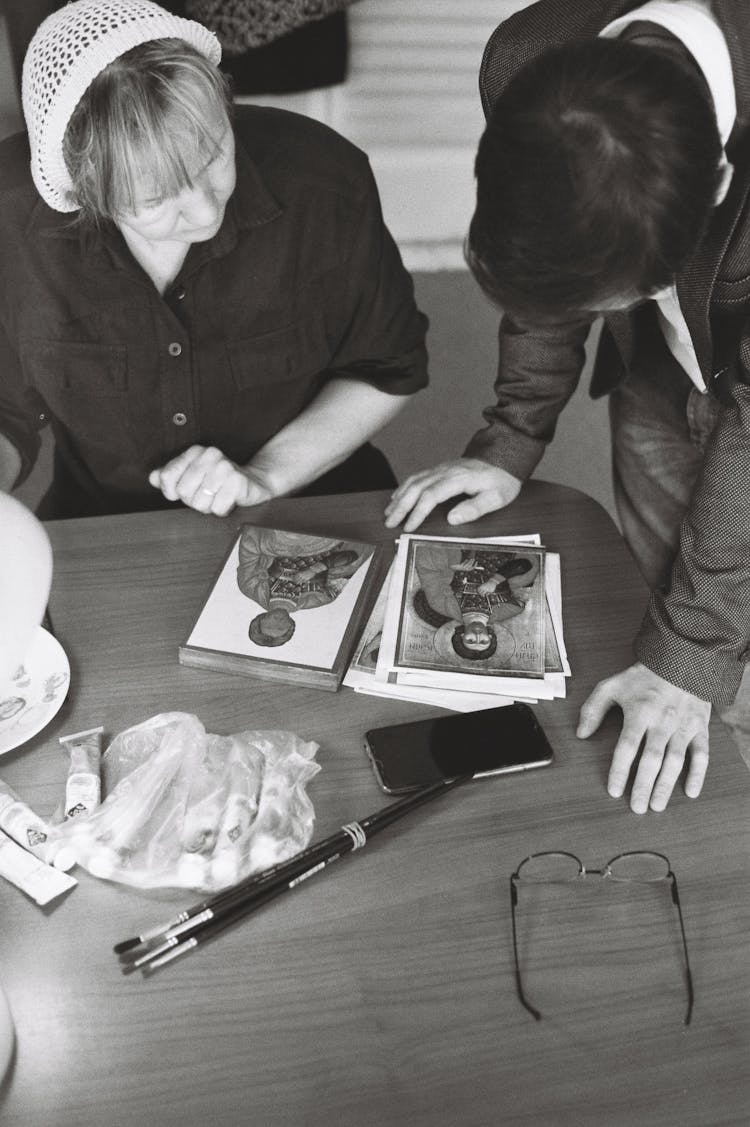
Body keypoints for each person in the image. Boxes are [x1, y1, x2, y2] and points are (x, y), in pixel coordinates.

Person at [385, 0, 750, 814]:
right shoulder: (525, 61)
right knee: (656, 588)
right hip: (656, 371)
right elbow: (551, 269)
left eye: (635, 288)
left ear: (720, 180)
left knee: (712, 652)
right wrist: (509, 439)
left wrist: (691, 652)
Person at [0, 0, 428, 520]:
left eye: (214, 156)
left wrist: (263, 475)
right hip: (106, 524)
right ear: (84, 191)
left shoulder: (325, 186)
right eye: (156, 199)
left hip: (311, 503)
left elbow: (386, 368)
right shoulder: (14, 229)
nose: (206, 210)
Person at [236, 526, 368, 646]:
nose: (277, 622)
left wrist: (280, 545)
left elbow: (249, 547)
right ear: (291, 627)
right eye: (281, 628)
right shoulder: (322, 598)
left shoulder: (249, 587)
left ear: (260, 620)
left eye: (270, 626)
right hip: (331, 540)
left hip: (282, 540)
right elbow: (351, 561)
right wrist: (316, 569)